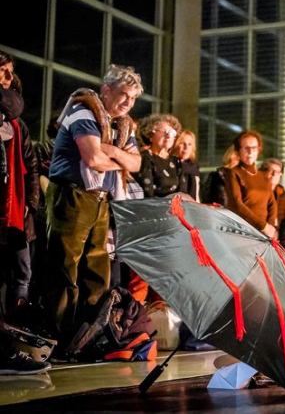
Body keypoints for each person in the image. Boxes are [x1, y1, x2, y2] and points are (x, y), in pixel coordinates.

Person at [45, 64, 142, 344]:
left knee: (97, 269)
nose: (128, 102)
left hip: (100, 197)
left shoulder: (121, 125)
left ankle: (88, 335)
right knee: (66, 267)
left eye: (134, 98)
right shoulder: (84, 110)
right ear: (106, 90)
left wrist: (110, 150)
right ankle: (59, 335)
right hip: (73, 194)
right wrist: (118, 158)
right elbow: (92, 159)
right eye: (124, 94)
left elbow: (135, 163)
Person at [1, 71, 39, 313]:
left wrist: (30, 204)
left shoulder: (18, 126)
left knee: (22, 271)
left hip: (16, 210)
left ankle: (15, 327)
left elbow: (31, 167)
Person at [224, 131, 278, 237]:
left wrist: (270, 227)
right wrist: (263, 226)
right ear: (238, 150)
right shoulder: (232, 173)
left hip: (265, 234)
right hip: (243, 231)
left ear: (258, 150)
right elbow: (237, 205)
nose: (250, 152)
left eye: (254, 148)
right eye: (246, 148)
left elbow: (272, 203)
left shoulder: (263, 176)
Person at [134, 113, 182, 198]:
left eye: (172, 132)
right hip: (153, 208)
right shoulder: (146, 157)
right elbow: (147, 194)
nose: (168, 136)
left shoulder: (176, 161)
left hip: (173, 209)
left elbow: (182, 192)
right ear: (150, 135)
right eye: (165, 132)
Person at [260, 157, 285, 224]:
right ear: (262, 172)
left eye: (277, 172)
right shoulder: (255, 193)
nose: (274, 174)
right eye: (271, 170)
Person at [172, 129, 201, 201]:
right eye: (182, 143)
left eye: (189, 144)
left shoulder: (194, 167)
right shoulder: (170, 165)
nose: (186, 147)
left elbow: (197, 195)